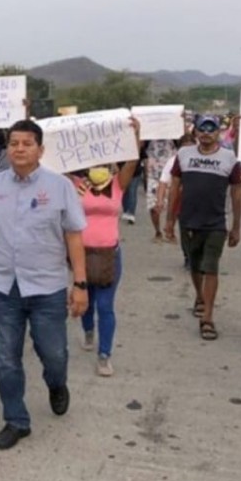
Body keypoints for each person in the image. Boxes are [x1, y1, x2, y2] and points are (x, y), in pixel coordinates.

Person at [0, 119, 89, 451]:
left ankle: (56, 384)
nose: (18, 148)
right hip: (4, 288)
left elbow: (74, 237)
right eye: (14, 143)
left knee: (54, 355)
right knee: (5, 358)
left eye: (27, 143)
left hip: (48, 288)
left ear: (40, 150)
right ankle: (16, 420)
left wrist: (81, 284)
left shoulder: (60, 187)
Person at [74, 119, 141, 377]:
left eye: (103, 163)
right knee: (86, 303)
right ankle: (88, 330)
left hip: (109, 255)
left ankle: (104, 354)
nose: (98, 167)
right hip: (81, 255)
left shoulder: (116, 185)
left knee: (106, 305)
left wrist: (136, 134)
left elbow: (132, 162)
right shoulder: (77, 185)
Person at [166, 115, 241, 340]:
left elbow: (237, 192)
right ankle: (200, 296)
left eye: (211, 129)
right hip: (189, 220)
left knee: (211, 267)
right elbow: (174, 188)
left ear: (218, 132)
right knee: (195, 265)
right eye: (202, 128)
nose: (206, 133)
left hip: (216, 223)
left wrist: (236, 226)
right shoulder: (184, 155)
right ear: (196, 132)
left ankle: (207, 317)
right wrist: (169, 220)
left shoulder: (229, 158)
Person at [156, 133, 197, 266]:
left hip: (200, 201)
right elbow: (163, 181)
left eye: (191, 147)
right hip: (182, 201)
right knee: (185, 229)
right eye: (185, 147)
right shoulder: (174, 161)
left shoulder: (202, 159)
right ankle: (188, 255)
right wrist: (160, 200)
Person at [145, 139, 177, 242]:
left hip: (171, 175)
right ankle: (158, 231)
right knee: (153, 206)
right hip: (153, 175)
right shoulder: (148, 138)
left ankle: (170, 229)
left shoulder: (174, 137)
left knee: (173, 204)